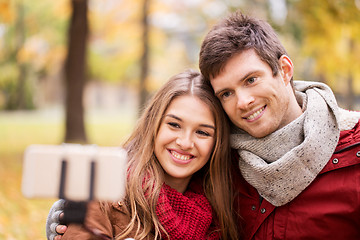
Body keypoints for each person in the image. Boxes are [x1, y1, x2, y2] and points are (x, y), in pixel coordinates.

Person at [199, 11, 360, 239]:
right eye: (227, 93)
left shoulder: (354, 151)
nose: (243, 102)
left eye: (251, 80)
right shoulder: (217, 163)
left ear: (284, 71)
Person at [46, 70, 239, 240]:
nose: (185, 142)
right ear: (153, 124)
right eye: (174, 125)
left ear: (217, 143)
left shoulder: (220, 208)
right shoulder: (105, 190)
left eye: (202, 132)